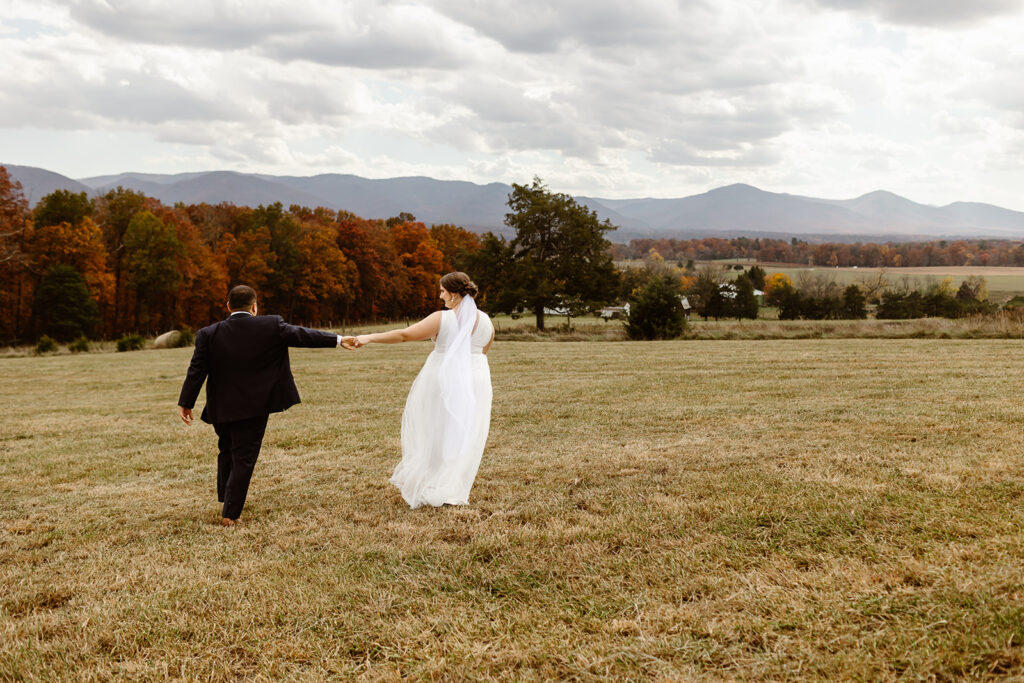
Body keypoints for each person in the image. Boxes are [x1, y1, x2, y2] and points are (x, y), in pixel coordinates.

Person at [177, 285, 356, 526]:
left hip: (221, 408)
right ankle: (230, 514)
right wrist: (338, 339)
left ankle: (226, 497)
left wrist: (186, 402)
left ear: (228, 306)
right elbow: (303, 336)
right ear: (254, 306)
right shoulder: (271, 325)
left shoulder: (208, 334)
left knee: (227, 450)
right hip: (254, 406)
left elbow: (196, 370)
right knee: (244, 457)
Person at [355, 272, 494, 508]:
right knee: (463, 433)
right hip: (477, 381)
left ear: (453, 294)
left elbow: (404, 335)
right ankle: (452, 487)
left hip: (443, 378)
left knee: (434, 428)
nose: (440, 297)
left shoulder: (443, 318)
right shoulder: (486, 321)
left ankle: (436, 484)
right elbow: (482, 352)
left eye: (442, 291)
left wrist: (369, 337)